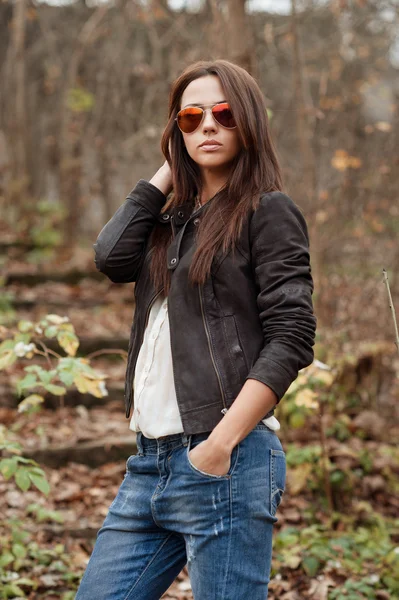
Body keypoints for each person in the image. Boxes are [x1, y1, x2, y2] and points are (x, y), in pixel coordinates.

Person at [75, 59, 316, 600]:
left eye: (224, 114)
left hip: (225, 460)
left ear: (248, 122)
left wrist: (220, 444)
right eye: (190, 118)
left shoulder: (267, 212)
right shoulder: (169, 222)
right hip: (150, 465)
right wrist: (168, 170)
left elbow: (293, 335)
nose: (207, 126)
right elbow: (111, 257)